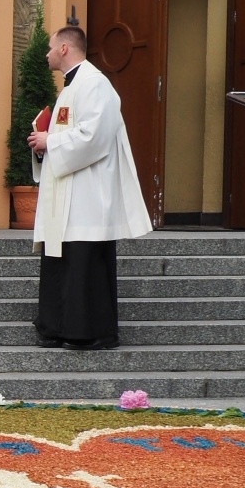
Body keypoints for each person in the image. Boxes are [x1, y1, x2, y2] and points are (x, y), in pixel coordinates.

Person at [28, 25, 151, 350]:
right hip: (69, 194)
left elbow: (93, 136)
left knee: (84, 264)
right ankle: (57, 327)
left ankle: (93, 332)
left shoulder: (95, 84)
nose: (47, 53)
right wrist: (44, 144)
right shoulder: (71, 88)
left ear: (65, 49)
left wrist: (50, 141)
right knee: (63, 261)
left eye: (51, 47)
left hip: (88, 196)